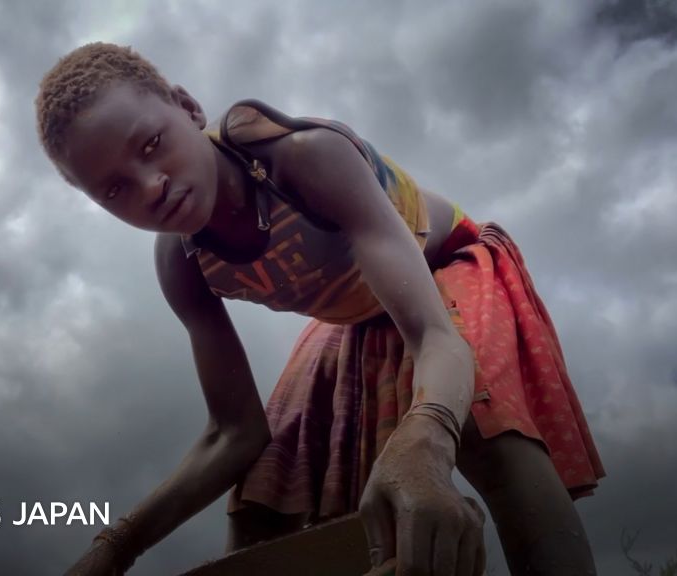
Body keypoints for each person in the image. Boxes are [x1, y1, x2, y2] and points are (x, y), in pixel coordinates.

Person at [35, 42, 605, 576]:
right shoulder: (183, 264)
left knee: (476, 421)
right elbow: (234, 434)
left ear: (186, 107)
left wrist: (425, 439)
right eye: (115, 190)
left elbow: (436, 337)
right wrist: (114, 548)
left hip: (443, 272)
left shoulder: (302, 158)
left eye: (151, 145)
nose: (150, 186)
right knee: (266, 493)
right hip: (349, 319)